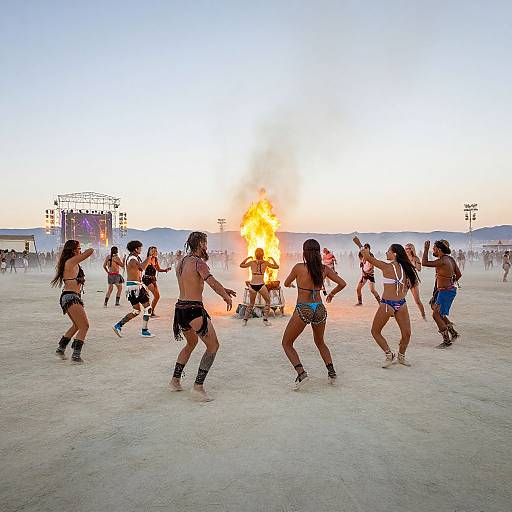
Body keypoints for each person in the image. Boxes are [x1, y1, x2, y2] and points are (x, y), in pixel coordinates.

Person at [170, 232, 236, 401]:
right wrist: (225, 296)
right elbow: (211, 282)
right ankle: (198, 386)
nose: (207, 247)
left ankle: (175, 381)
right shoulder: (198, 262)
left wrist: (224, 289)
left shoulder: (182, 262)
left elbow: (192, 281)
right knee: (213, 346)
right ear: (200, 244)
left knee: (191, 344)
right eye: (205, 243)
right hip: (194, 310)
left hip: (180, 310)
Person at [281, 239, 347, 389]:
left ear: (304, 252)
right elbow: (342, 283)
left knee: (287, 343)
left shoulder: (299, 268)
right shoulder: (324, 269)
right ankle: (331, 372)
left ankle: (301, 374)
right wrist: (331, 294)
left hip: (303, 308)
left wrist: (293, 284)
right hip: (319, 308)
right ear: (318, 253)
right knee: (320, 342)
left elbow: (285, 283)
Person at [354, 237, 418, 367]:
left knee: (404, 334)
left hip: (397, 304)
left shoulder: (389, 266)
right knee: (379, 331)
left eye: (388, 251)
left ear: (394, 254)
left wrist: (359, 244)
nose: (386, 253)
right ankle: (390, 355)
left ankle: (400, 356)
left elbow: (368, 256)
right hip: (391, 303)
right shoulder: (404, 267)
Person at [51, 240, 94, 363]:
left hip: (71, 296)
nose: (80, 250)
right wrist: (87, 248)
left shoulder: (72, 262)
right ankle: (76, 354)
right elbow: (90, 252)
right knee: (84, 326)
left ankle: (61, 348)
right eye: (79, 248)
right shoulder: (71, 261)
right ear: (73, 250)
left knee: (77, 325)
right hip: (71, 297)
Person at [422, 240, 462, 348]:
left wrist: (425, 249)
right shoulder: (450, 259)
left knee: (436, 315)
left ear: (439, 250)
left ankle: (446, 341)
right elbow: (459, 274)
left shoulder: (443, 260)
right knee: (436, 310)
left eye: (433, 249)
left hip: (446, 291)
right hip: (445, 290)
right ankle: (452, 332)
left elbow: (424, 263)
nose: (432, 250)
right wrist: (450, 282)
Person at [112, 241, 154, 338]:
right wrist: (149, 256)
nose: (141, 249)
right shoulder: (132, 259)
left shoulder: (132, 258)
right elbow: (143, 267)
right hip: (136, 287)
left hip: (132, 287)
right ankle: (144, 331)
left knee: (136, 311)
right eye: (140, 248)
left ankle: (118, 326)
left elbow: (139, 268)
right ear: (136, 249)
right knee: (148, 308)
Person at [239, 248, 279, 326]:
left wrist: (248, 258)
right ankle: (265, 319)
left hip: (252, 285)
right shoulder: (266, 263)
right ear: (263, 254)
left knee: (251, 303)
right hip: (261, 285)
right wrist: (272, 259)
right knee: (268, 302)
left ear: (255, 255)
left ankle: (245, 320)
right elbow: (276, 267)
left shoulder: (251, 262)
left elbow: (241, 265)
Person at [142, 246, 171, 316]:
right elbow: (142, 267)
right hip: (147, 279)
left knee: (157, 296)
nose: (155, 252)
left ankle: (151, 311)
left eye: (156, 251)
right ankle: (148, 310)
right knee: (151, 294)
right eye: (153, 251)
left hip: (153, 279)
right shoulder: (148, 259)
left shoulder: (156, 259)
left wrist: (165, 270)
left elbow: (158, 269)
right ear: (149, 252)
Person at [405, 243, 426, 319]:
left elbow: (419, 269)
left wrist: (415, 262)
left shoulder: (416, 258)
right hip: (404, 281)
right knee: (399, 299)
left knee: (417, 300)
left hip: (413, 280)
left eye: (408, 248)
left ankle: (423, 315)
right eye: (406, 248)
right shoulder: (403, 258)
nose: (407, 250)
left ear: (412, 249)